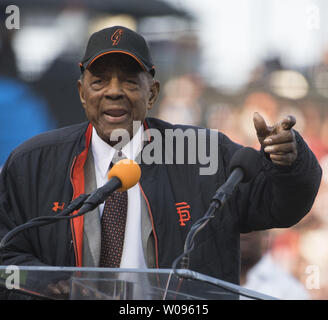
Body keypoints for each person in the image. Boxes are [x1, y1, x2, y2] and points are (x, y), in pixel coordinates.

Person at [0, 26, 322, 298]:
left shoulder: (206, 153)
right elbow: (6, 252)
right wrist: (55, 284)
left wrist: (290, 163)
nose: (114, 92)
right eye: (99, 82)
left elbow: (280, 205)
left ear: (152, 93)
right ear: (82, 92)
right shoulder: (32, 163)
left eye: (129, 81)